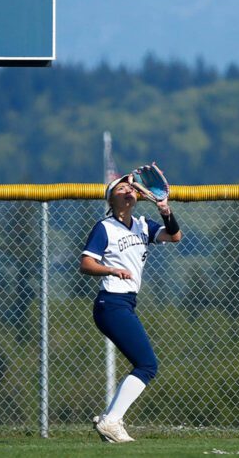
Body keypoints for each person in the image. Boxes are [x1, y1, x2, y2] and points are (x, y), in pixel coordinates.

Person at [79, 170, 183, 443]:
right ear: (111, 199)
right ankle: (112, 420)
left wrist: (164, 209)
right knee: (147, 365)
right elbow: (86, 264)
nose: (129, 190)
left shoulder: (142, 224)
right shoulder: (105, 227)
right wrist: (112, 270)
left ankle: (110, 420)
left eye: (131, 187)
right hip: (111, 304)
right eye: (122, 187)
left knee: (145, 364)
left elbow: (175, 237)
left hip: (124, 303)